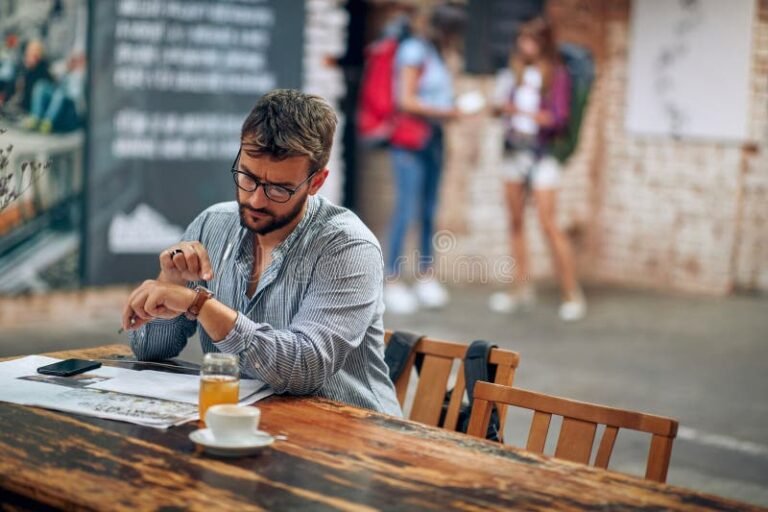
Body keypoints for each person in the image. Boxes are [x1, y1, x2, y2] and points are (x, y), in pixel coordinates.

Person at [122, 89, 402, 416]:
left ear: (317, 182)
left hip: (354, 439)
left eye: (279, 189)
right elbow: (148, 352)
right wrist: (169, 284)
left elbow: (303, 368)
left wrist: (199, 304)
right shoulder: (212, 224)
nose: (255, 200)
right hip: (252, 426)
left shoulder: (348, 247)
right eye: (248, 178)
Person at [489, 17, 586, 321]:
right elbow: (501, 109)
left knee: (548, 223)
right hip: (514, 151)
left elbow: (557, 119)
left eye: (530, 40)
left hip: (542, 154)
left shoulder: (556, 75)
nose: (523, 46)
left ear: (542, 43)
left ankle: (572, 292)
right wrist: (501, 108)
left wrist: (522, 111)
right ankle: (520, 288)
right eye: (521, 40)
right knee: (515, 222)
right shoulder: (514, 73)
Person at [383, 3, 466, 314]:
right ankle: (390, 279)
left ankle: (425, 276)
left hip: (433, 140)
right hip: (409, 142)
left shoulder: (438, 55)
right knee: (406, 210)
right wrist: (448, 112)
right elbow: (405, 100)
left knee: (430, 210)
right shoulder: (414, 51)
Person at [24, 52, 85, 133]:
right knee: (41, 85)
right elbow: (54, 72)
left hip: (69, 101)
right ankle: (35, 118)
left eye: (77, 60)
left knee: (60, 93)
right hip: (57, 94)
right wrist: (66, 69)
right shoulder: (66, 68)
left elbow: (76, 95)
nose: (74, 61)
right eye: (73, 59)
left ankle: (47, 122)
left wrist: (76, 72)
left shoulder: (82, 74)